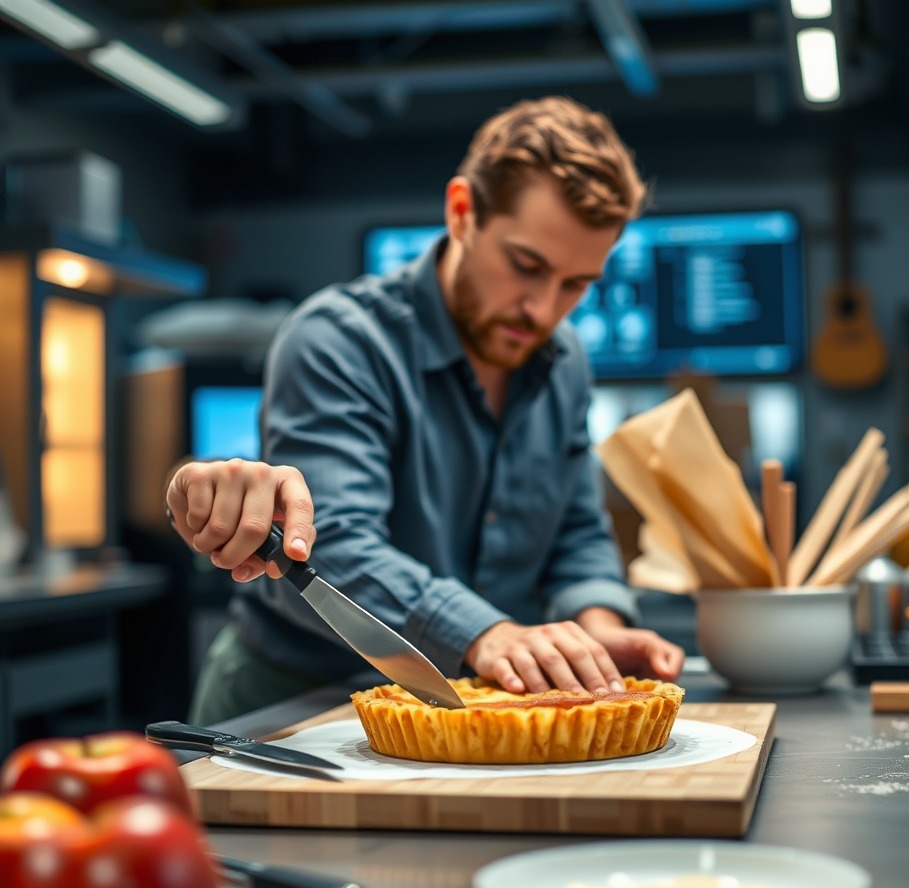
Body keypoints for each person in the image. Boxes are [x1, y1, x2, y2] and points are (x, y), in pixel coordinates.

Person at [172, 95, 684, 725]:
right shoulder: (339, 339)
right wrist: (491, 635)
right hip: (297, 701)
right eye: (527, 266)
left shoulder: (565, 359)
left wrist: (596, 631)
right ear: (462, 212)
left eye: (577, 284)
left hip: (471, 704)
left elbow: (576, 534)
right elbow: (336, 544)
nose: (544, 310)